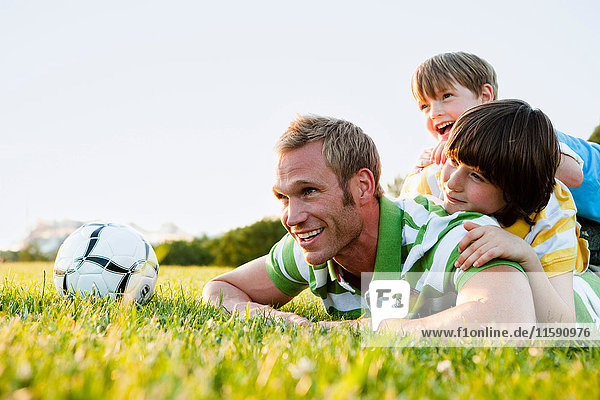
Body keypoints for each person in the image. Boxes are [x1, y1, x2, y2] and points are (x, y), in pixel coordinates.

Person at [202, 114, 535, 333]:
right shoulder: (314, 241)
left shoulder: (446, 234)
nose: (292, 217)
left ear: (363, 186)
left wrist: (345, 330)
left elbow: (511, 321)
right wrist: (269, 317)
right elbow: (220, 289)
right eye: (283, 198)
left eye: (309, 191)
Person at [405, 99, 600, 325]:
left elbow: (563, 324)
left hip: (567, 276)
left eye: (477, 176)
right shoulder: (435, 180)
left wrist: (526, 256)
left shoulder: (550, 213)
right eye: (453, 160)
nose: (452, 182)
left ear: (515, 191)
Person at [406, 51, 600, 263]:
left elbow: (574, 176)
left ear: (485, 96)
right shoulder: (450, 160)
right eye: (424, 106)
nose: (434, 112)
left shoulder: (520, 129)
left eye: (446, 96)